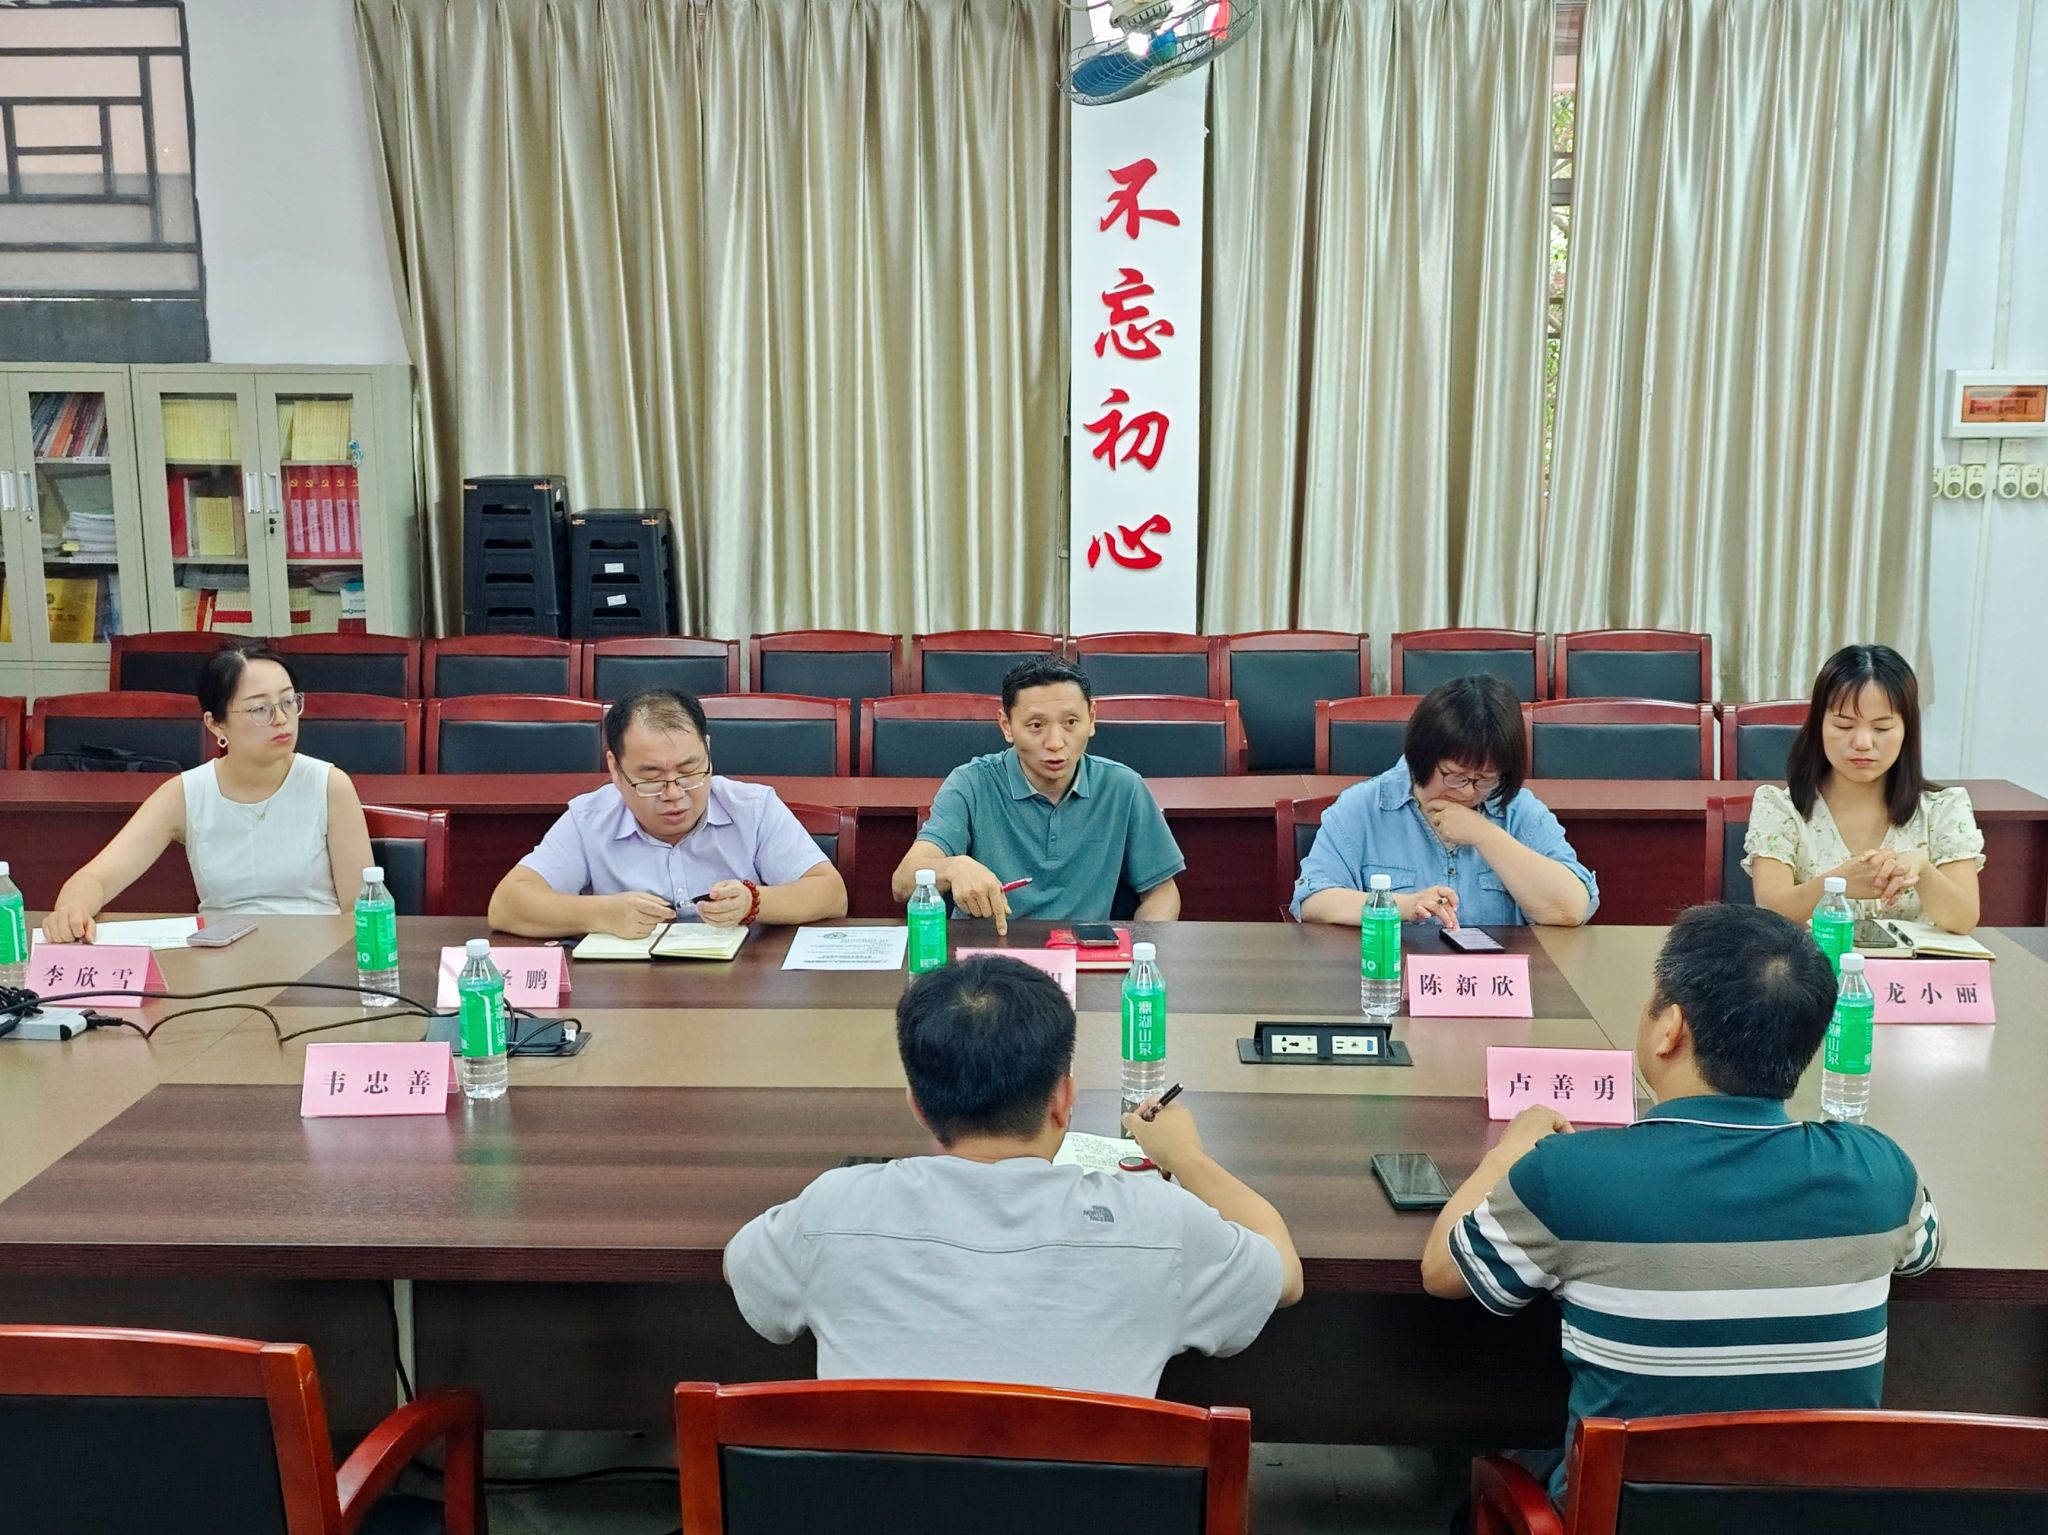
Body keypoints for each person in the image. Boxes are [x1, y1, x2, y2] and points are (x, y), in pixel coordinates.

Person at [1422, 903, 1942, 1506]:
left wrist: (1508, 1152)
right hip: (1813, 1517)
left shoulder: (1569, 1175)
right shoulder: (1879, 1170)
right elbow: (1923, 1253)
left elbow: (1442, 1271)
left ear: (1670, 1027)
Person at [725, 954, 1301, 1393]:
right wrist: (1188, 1158)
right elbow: (1284, 1274)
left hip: (883, 1503)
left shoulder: (833, 1211)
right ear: (1064, 1101)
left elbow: (739, 1264)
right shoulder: (1158, 1223)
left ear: (918, 1106)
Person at [43, 642, 373, 939]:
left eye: (288, 701)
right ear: (216, 724)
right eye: (260, 709)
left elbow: (361, 910)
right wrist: (72, 910)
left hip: (316, 959)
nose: (281, 718)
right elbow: (96, 878)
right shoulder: (186, 793)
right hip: (224, 962)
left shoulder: (328, 785)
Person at [488, 687, 846, 937]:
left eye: (689, 772)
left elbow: (830, 893)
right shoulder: (589, 819)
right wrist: (602, 914)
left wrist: (755, 902)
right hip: (627, 997)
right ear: (615, 769)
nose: (674, 794)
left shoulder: (753, 808)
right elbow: (507, 905)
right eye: (651, 778)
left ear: (707, 750)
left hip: (740, 993)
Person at [889, 657, 1184, 933]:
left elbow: (1162, 892)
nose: (1055, 742)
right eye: (1036, 726)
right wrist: (952, 868)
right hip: (987, 956)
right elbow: (903, 882)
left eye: (1070, 723)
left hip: (1083, 954)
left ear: (1092, 718)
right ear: (1006, 725)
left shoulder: (1123, 787)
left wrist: (1137, 949)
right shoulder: (971, 783)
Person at [1292, 675, 1597, 927]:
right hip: (1393, 975)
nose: (1468, 792)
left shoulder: (1520, 811)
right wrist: (1403, 906)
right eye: (1456, 776)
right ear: (1421, 756)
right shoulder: (1363, 807)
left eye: (1485, 779)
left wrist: (1485, 834)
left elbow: (1572, 909)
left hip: (1494, 979)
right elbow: (1313, 901)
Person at [1746, 644, 1982, 933]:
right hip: (1814, 962)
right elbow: (1771, 911)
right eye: (1844, 726)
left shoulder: (1943, 809)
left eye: (1881, 728)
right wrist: (1839, 884)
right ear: (1819, 726)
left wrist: (1922, 869)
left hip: (1916, 964)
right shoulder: (1780, 808)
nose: (1862, 742)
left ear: (1906, 731)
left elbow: (1964, 920)